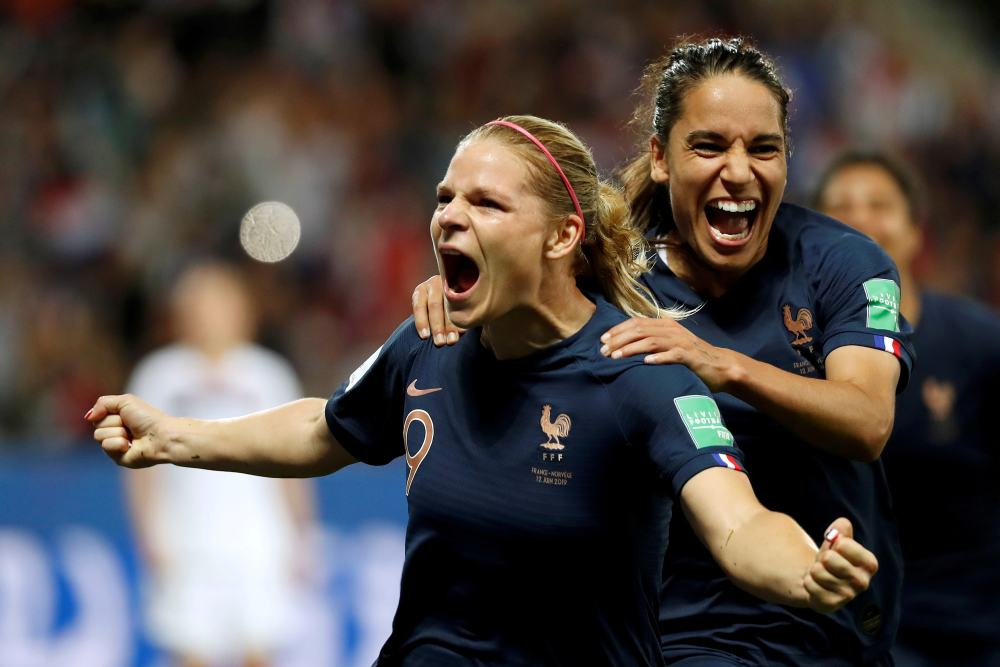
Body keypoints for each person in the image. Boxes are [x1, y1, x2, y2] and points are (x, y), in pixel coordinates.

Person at [89, 115, 877, 667]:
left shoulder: (640, 375)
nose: (448, 219)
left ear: (562, 235)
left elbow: (738, 525)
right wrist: (176, 437)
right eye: (444, 198)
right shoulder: (431, 340)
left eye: (486, 203)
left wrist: (806, 570)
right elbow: (326, 430)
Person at [412, 41, 911, 667]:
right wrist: (458, 291)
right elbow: (513, 287)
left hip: (839, 622)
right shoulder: (612, 277)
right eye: (708, 146)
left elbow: (868, 422)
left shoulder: (844, 263)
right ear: (659, 159)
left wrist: (722, 364)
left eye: (763, 148)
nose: (738, 171)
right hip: (686, 635)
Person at [815, 151, 1000, 667]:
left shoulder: (980, 343)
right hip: (848, 623)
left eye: (879, 204)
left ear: (916, 231)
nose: (860, 220)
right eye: (840, 207)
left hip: (974, 623)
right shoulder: (791, 356)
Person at [123, 260, 318, 667]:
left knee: (259, 653)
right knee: (191, 654)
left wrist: (303, 534)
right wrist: (149, 535)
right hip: (186, 542)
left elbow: (295, 460)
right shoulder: (158, 377)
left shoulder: (268, 375)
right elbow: (140, 471)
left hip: (260, 542)